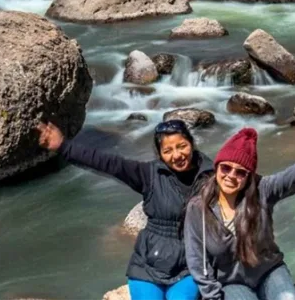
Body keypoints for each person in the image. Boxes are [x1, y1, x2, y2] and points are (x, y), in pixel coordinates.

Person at [36, 120, 213, 300]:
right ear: (160, 154)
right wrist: (64, 146)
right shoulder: (149, 175)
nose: (177, 155)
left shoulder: (212, 176)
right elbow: (109, 163)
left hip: (189, 266)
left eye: (182, 146)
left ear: (192, 143)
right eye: (167, 151)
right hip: (149, 266)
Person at [184, 122, 295, 300]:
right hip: (231, 282)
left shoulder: (263, 190)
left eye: (240, 172)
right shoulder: (199, 208)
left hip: (269, 271)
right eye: (226, 168)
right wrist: (212, 296)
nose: (231, 176)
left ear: (249, 176)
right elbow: (197, 260)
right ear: (217, 168)